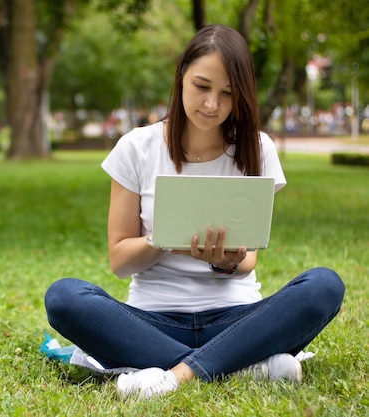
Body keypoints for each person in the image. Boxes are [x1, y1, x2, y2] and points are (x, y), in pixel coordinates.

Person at [44, 25, 345, 399]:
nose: (211, 105)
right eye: (202, 87)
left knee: (324, 285)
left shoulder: (257, 148)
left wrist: (229, 261)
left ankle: (172, 377)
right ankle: (244, 365)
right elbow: (120, 261)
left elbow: (249, 260)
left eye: (227, 94)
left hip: (236, 318)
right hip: (152, 321)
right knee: (64, 298)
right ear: (181, 76)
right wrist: (162, 239)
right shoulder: (137, 148)